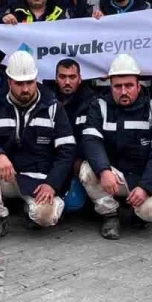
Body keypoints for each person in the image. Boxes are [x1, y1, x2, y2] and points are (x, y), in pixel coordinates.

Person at [0, 50, 75, 244]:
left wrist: (52, 183)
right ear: (9, 81)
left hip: (40, 181)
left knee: (45, 217)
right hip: (9, 176)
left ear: (36, 78)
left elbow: (67, 151)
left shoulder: (53, 107)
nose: (25, 88)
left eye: (30, 82)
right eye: (19, 83)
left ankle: (34, 209)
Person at [79, 54, 152, 239]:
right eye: (118, 86)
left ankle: (139, 213)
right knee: (87, 170)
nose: (123, 92)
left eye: (129, 85)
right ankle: (110, 215)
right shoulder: (99, 106)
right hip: (114, 177)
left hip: (143, 178)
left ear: (138, 85)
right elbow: (91, 141)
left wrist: (145, 187)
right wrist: (104, 170)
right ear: (110, 86)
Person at [53, 57, 95, 215]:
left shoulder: (92, 102)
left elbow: (93, 140)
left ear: (80, 78)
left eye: (72, 77)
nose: (67, 82)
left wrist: (76, 158)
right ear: (56, 78)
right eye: (62, 77)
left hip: (78, 160)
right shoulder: (47, 100)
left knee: (73, 204)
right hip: (55, 159)